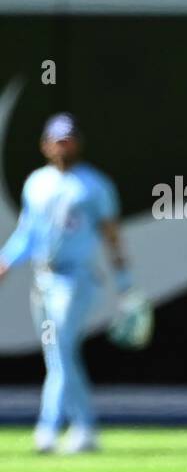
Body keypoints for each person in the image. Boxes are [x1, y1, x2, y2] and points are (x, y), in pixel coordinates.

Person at [0, 113, 131, 454]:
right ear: (45, 145)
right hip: (43, 278)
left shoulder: (94, 185)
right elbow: (29, 233)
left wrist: (125, 282)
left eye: (68, 138)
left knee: (59, 349)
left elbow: (111, 236)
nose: (63, 145)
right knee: (60, 355)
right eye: (57, 139)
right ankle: (85, 428)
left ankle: (47, 428)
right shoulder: (36, 183)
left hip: (77, 278)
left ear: (78, 143)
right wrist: (6, 260)